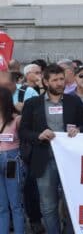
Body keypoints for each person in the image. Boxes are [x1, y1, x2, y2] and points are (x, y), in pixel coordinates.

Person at [19, 64, 83, 234]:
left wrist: (78, 130)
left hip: (70, 161)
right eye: (55, 80)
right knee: (48, 206)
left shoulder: (74, 101)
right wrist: (39, 135)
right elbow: (23, 131)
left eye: (61, 79)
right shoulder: (32, 103)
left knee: (71, 203)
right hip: (44, 159)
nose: (59, 83)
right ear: (46, 82)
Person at [0, 87, 25, 234]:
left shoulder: (17, 118)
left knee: (15, 204)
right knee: (2, 206)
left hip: (12, 161)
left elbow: (24, 140)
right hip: (6, 159)